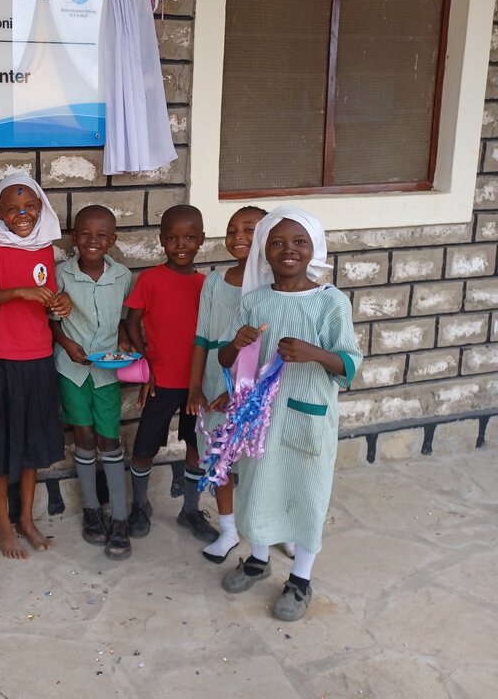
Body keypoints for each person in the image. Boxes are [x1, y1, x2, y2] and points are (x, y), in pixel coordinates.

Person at [218, 206, 361, 621]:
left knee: (306, 492)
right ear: (264, 251)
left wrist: (315, 353)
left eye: (299, 241)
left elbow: (350, 364)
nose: (288, 250)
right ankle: (258, 559)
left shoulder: (330, 302)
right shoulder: (255, 301)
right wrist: (235, 344)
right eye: (277, 242)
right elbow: (226, 361)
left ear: (315, 247)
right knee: (258, 486)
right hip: (260, 419)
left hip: (306, 416)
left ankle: (300, 579)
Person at [0, 174, 72, 559]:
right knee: (0, 445)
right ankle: (2, 521)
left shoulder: (44, 247)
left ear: (41, 208)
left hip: (39, 356)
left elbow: (48, 296)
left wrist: (61, 303)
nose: (22, 214)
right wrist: (17, 293)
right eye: (12, 209)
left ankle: (26, 519)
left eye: (29, 206)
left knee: (32, 444)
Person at [124, 204, 218, 543]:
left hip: (197, 384)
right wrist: (146, 364)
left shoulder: (208, 285)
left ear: (201, 240)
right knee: (145, 446)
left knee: (195, 445)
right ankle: (140, 505)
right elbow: (132, 323)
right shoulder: (150, 279)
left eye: (189, 238)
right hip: (161, 380)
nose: (181, 245)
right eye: (173, 238)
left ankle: (190, 510)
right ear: (161, 240)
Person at [51, 205, 134, 560]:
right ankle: (91, 509)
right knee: (83, 437)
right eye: (85, 234)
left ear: (112, 240)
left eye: (101, 235)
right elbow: (51, 319)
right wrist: (66, 343)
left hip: (107, 370)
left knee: (109, 439)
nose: (92, 241)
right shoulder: (61, 274)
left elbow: (126, 320)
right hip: (72, 369)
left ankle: (120, 517)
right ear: (74, 237)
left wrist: (126, 343)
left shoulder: (122, 276)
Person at [186, 205, 267, 563]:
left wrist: (238, 390)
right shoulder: (215, 283)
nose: (238, 237)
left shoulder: (273, 286)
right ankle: (229, 529)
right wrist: (194, 388)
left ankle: (269, 528)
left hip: (255, 387)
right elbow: (201, 338)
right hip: (212, 381)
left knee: (258, 462)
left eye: (249, 230)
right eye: (232, 230)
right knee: (220, 457)